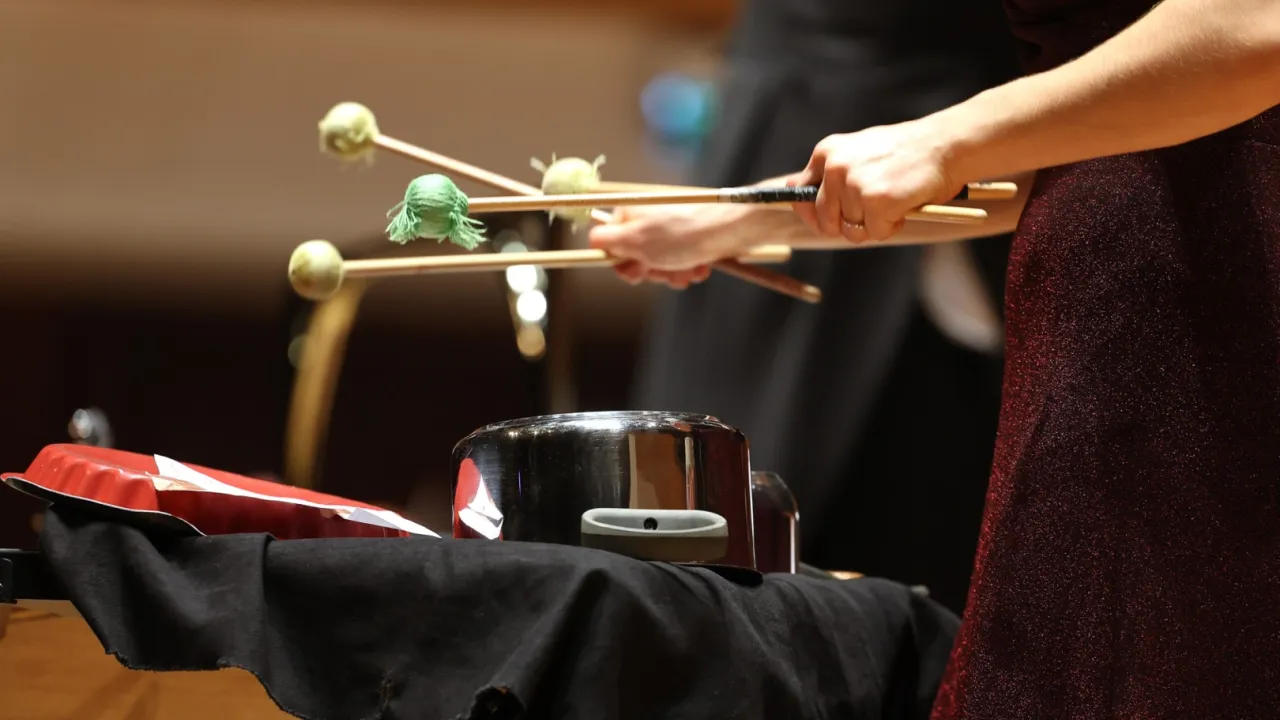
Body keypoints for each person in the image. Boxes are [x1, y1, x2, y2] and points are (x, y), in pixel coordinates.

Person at [592, 0, 1280, 716]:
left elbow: (1260, 23)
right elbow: (1091, 142)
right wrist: (740, 216)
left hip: (1211, 332)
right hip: (1106, 328)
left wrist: (948, 136)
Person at [611, 0, 1022, 614]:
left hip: (924, 184)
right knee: (709, 556)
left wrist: (739, 217)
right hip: (792, 142)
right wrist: (739, 216)